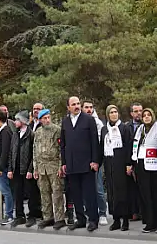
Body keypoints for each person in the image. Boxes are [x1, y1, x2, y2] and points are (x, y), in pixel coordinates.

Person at [62, 95, 101, 232]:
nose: (77, 106)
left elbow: (95, 142)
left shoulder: (88, 120)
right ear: (68, 107)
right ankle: (81, 219)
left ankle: (93, 220)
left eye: (78, 103)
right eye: (73, 104)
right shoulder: (65, 122)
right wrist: (64, 162)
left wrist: (95, 160)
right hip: (72, 164)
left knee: (89, 193)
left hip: (86, 164)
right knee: (76, 193)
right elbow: (63, 144)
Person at [101, 104, 135, 231]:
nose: (114, 114)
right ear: (108, 115)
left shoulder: (124, 128)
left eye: (115, 112)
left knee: (122, 192)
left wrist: (128, 164)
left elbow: (128, 146)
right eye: (111, 112)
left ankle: (125, 220)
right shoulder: (105, 129)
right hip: (109, 163)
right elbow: (101, 146)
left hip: (121, 164)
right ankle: (116, 219)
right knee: (112, 193)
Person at [33, 108, 67, 229]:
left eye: (48, 117)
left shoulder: (57, 130)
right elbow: (35, 150)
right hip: (42, 167)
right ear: (40, 120)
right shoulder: (38, 132)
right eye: (44, 118)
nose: (47, 120)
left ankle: (60, 218)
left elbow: (61, 149)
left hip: (53, 165)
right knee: (44, 193)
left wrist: (60, 166)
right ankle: (48, 217)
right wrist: (35, 168)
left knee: (57, 193)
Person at [11, 110, 41, 227]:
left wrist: (30, 170)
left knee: (31, 193)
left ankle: (32, 215)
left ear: (22, 121)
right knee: (17, 193)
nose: (15, 122)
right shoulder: (15, 134)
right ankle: (19, 215)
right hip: (16, 169)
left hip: (27, 169)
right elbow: (11, 152)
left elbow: (34, 154)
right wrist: (10, 168)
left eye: (17, 120)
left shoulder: (31, 134)